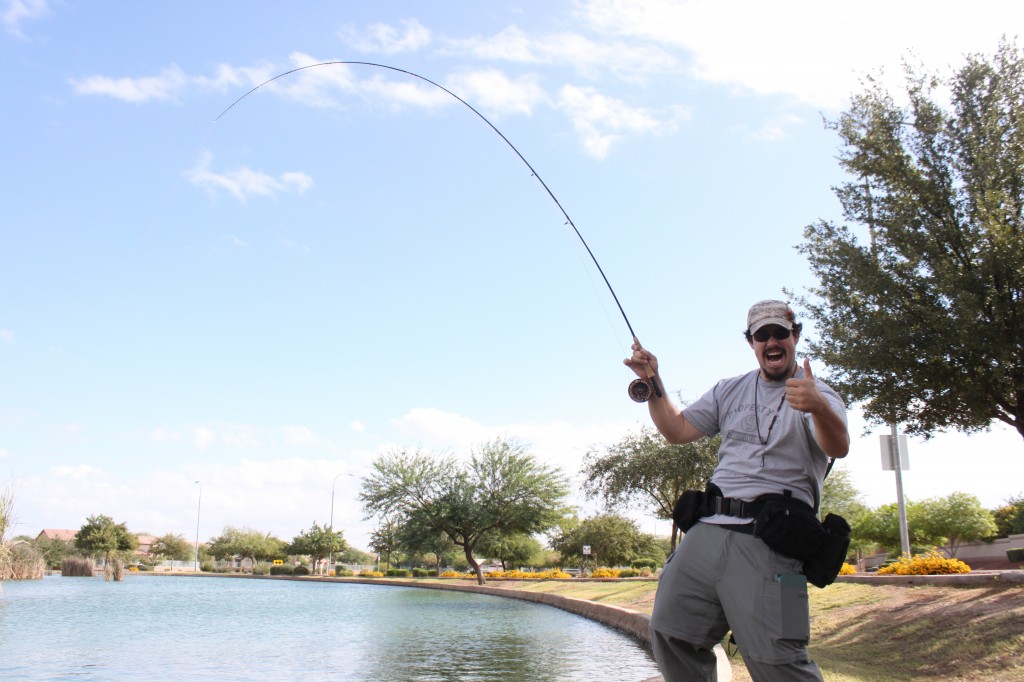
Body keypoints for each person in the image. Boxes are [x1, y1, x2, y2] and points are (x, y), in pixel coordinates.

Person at [624, 299, 849, 682]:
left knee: (776, 662)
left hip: (771, 540)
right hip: (708, 531)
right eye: (763, 335)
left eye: (781, 333)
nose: (772, 341)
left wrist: (817, 409)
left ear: (795, 337)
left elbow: (837, 447)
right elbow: (676, 431)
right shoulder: (728, 390)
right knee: (670, 633)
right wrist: (652, 379)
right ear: (751, 342)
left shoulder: (818, 394)